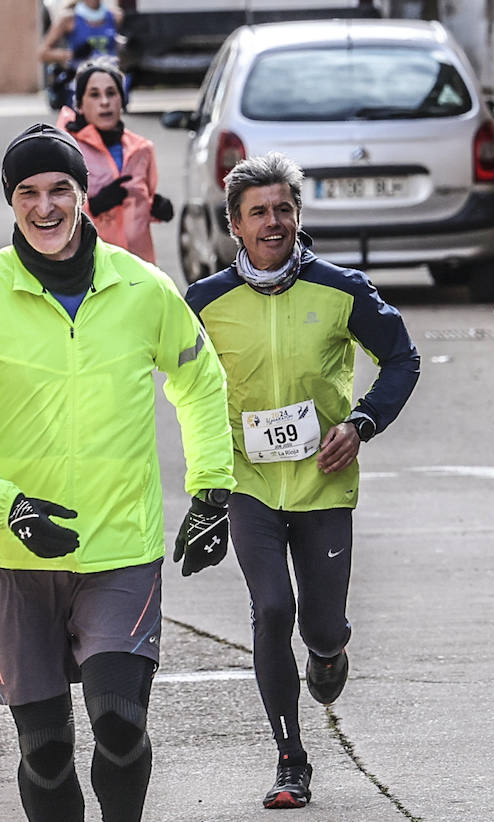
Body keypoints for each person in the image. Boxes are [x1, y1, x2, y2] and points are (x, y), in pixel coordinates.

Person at [0, 123, 235, 822]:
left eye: (61, 190)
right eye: (28, 193)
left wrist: (212, 490)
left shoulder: (142, 288)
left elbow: (200, 382)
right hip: (14, 557)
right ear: (11, 202)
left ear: (81, 195)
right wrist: (8, 505)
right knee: (43, 746)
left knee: (120, 724)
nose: (46, 208)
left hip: (121, 549)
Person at [185, 152, 420, 810]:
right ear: (234, 224)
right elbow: (170, 379)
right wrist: (204, 474)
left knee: (320, 625)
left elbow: (402, 357)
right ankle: (291, 757)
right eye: (258, 212)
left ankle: (328, 649)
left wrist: (363, 423)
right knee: (270, 611)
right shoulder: (203, 304)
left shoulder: (342, 288)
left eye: (284, 209)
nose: (273, 221)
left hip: (323, 486)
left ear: (299, 215)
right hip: (248, 484)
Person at [57, 58, 173, 264]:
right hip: (91, 264)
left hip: (139, 264)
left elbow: (141, 202)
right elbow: (52, 211)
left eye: (111, 93)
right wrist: (95, 206)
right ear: (80, 105)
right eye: (94, 94)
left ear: (122, 99)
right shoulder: (66, 149)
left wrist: (156, 208)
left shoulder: (142, 148)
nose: (105, 102)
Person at [40, 0, 124, 111]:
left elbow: (120, 48)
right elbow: (43, 53)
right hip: (81, 79)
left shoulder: (114, 16)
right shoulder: (68, 18)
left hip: (110, 77)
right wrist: (73, 54)